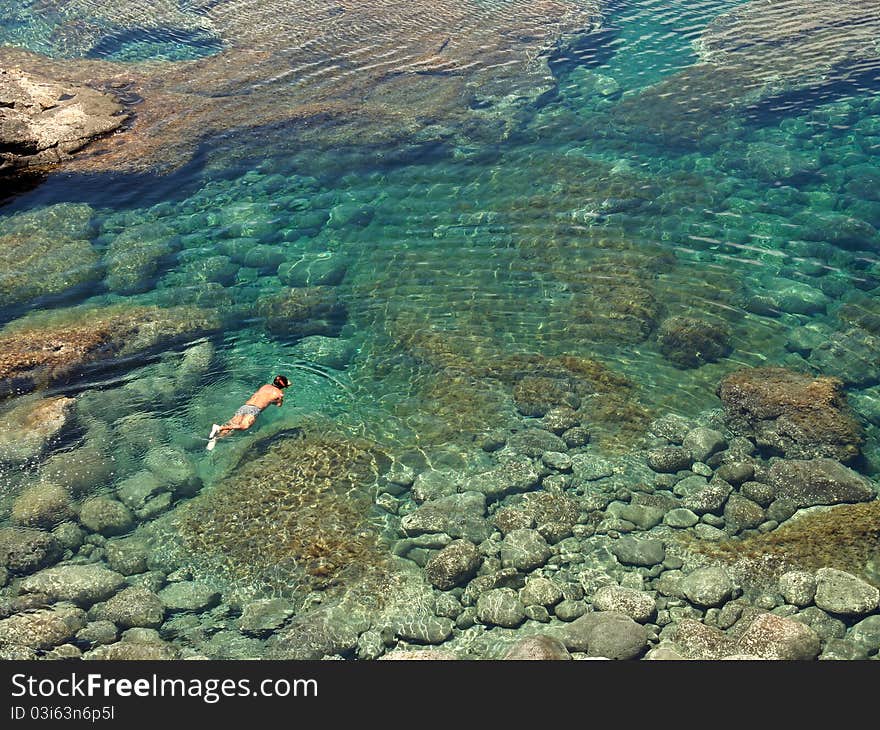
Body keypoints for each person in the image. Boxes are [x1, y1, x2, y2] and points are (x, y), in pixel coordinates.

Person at [206, 375, 291, 450]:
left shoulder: (266, 386)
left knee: (231, 425)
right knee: (244, 426)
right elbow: (279, 405)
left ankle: (215, 439)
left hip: (245, 406)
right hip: (255, 409)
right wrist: (280, 398)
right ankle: (219, 428)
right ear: (283, 386)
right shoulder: (279, 393)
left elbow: (265, 396)